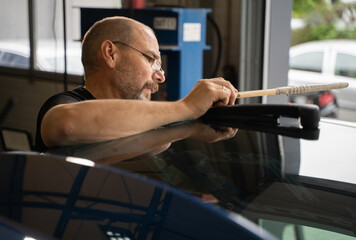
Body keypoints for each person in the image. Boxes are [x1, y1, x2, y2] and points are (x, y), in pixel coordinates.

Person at [35, 16, 238, 152]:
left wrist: (194, 128)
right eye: (150, 59)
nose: (160, 77)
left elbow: (146, 145)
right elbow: (66, 126)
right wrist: (186, 107)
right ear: (111, 54)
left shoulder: (133, 126)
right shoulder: (65, 104)